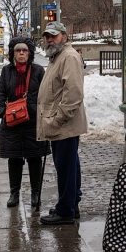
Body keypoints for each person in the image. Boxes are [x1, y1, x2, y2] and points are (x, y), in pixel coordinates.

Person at [36, 21, 88, 225]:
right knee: (69, 166)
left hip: (63, 124)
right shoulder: (57, 57)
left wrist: (57, 119)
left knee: (65, 167)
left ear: (64, 36)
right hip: (61, 124)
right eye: (47, 36)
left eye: (54, 35)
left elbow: (73, 94)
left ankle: (65, 210)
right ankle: (70, 204)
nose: (50, 39)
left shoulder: (68, 57)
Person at [0, 36, 49, 210]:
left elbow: (45, 94)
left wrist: (36, 111)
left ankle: (35, 193)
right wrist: (2, 112)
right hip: (12, 123)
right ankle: (14, 193)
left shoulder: (38, 71)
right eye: (18, 50)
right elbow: (1, 94)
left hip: (33, 122)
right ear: (13, 53)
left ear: (30, 53)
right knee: (15, 159)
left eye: (24, 50)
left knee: (34, 159)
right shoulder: (6, 72)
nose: (21, 53)